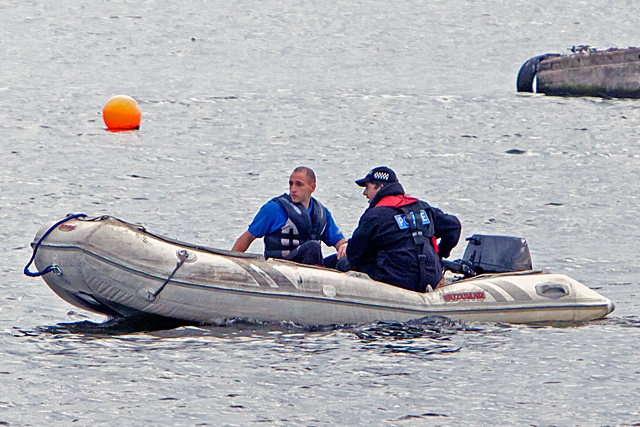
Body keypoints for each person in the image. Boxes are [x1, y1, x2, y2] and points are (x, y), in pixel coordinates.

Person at [339, 166, 461, 292]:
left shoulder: (374, 215)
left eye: (367, 187)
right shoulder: (422, 207)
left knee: (343, 263)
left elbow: (354, 255)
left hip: (397, 280)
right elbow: (454, 227)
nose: (364, 193)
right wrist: (439, 256)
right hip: (431, 277)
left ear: (380, 187)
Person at [232, 166, 348, 265]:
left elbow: (340, 242)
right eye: (291, 184)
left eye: (299, 185)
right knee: (312, 247)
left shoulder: (322, 213)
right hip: (281, 267)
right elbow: (247, 237)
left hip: (312, 269)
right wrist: (232, 262)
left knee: (347, 258)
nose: (293, 189)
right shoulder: (274, 209)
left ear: (312, 188)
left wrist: (344, 247)